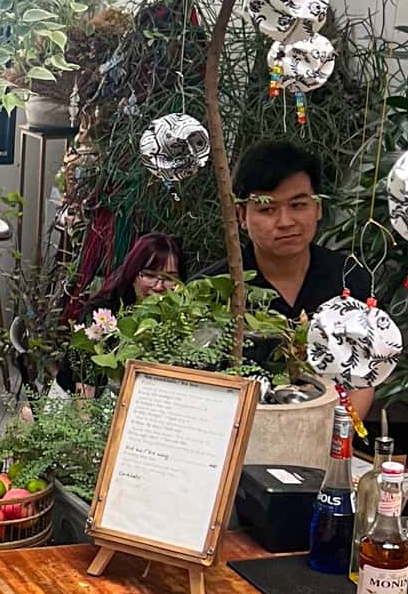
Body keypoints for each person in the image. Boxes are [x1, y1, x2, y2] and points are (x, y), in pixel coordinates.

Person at [199, 137, 375, 417]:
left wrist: (334, 440)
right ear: (241, 215)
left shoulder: (350, 279)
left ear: (318, 208)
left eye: (298, 205)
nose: (285, 221)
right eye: (267, 209)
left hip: (328, 435)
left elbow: (363, 377)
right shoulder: (210, 289)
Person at [57, 233, 186, 395]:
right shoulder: (103, 314)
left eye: (169, 278)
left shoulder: (182, 320)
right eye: (150, 275)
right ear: (133, 274)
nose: (159, 286)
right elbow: (84, 391)